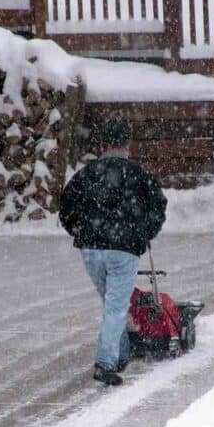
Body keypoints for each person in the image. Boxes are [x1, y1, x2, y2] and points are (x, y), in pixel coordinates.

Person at [59, 120, 167, 386]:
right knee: (117, 307)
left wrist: (80, 232)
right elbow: (158, 206)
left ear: (103, 146)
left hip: (91, 250)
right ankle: (105, 362)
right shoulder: (139, 175)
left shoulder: (85, 175)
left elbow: (66, 206)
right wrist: (145, 233)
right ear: (126, 146)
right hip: (123, 250)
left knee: (112, 305)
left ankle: (121, 352)